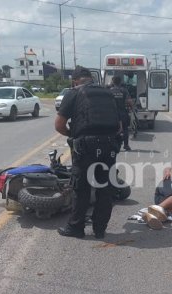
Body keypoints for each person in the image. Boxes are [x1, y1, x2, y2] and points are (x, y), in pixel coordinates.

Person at [55, 67, 121, 239]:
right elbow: (119, 126)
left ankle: (76, 228)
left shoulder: (73, 93)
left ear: (75, 80)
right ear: (91, 79)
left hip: (85, 147)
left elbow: (59, 125)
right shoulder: (108, 94)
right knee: (105, 189)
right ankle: (99, 229)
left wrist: (74, 135)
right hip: (109, 146)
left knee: (81, 188)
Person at [109, 76, 133, 151]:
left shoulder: (110, 91)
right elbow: (129, 101)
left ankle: (112, 145)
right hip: (122, 113)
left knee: (112, 130)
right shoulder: (124, 90)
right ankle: (126, 145)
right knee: (125, 129)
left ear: (113, 82)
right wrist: (131, 107)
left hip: (112, 114)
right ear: (120, 82)